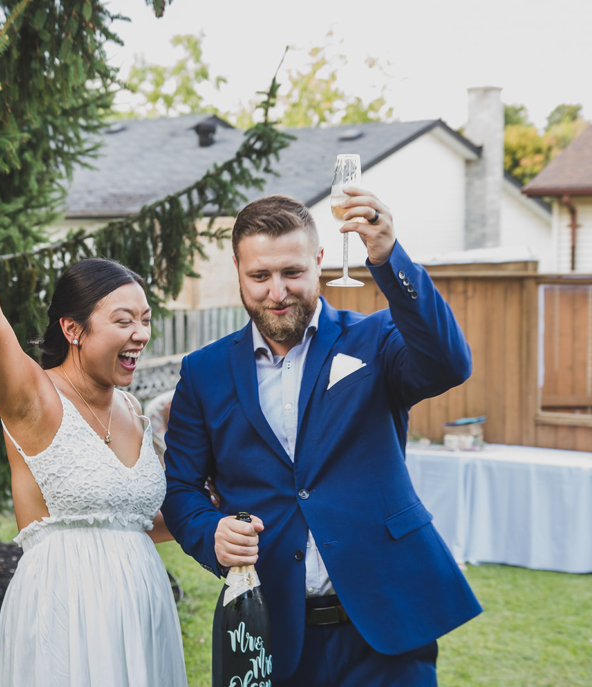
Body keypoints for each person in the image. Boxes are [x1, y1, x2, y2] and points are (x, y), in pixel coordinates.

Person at [161, 190, 482, 686]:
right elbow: (181, 488)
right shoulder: (203, 372)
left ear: (318, 261)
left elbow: (449, 364)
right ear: (238, 270)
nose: (277, 292)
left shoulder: (375, 339)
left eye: (292, 272)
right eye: (260, 276)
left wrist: (388, 256)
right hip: (273, 632)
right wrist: (212, 533)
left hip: (387, 625)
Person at [0, 168, 187, 687]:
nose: (140, 334)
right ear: (73, 329)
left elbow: (137, 522)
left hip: (143, 614)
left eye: (145, 319)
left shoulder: (133, 411)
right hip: (65, 616)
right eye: (124, 320)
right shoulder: (34, 398)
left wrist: (219, 506)